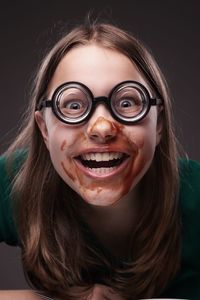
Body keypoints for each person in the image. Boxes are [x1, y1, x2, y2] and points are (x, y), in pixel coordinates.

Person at [0, 20, 200, 300]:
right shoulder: (13, 181)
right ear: (44, 129)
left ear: (158, 125)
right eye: (73, 105)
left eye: (128, 102)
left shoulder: (195, 195)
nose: (103, 128)